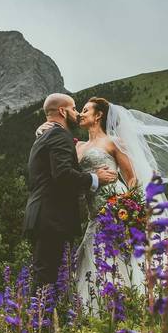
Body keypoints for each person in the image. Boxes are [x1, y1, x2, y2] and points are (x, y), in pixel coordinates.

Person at [37, 96, 168, 310]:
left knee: (123, 254)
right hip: (94, 211)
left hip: (117, 205)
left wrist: (129, 205)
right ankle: (105, 307)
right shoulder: (77, 147)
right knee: (95, 255)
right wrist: (42, 129)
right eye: (80, 109)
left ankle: (141, 302)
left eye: (86, 110)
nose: (81, 113)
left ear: (98, 115)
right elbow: (65, 169)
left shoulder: (113, 142)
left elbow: (132, 178)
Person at [24, 93, 118, 287]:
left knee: (46, 276)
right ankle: (40, 317)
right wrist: (95, 178)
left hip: (44, 215)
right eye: (74, 109)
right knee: (46, 279)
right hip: (52, 218)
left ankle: (41, 316)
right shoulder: (59, 135)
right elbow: (63, 174)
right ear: (62, 111)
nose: (77, 114)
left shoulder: (45, 137)